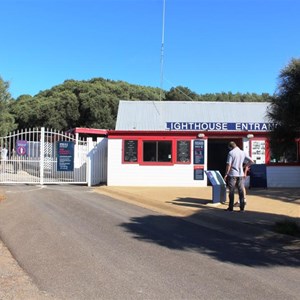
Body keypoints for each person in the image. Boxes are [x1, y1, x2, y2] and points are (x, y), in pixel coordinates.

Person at [224, 141, 253, 212]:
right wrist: (244, 166)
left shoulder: (231, 153)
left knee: (231, 191)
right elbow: (251, 161)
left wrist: (226, 174)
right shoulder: (243, 152)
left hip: (232, 174)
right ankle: (242, 208)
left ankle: (230, 208)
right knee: (241, 191)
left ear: (230, 147)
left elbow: (229, 164)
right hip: (240, 174)